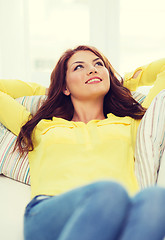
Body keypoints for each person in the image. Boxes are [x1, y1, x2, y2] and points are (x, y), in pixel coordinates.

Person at [0, 45, 165, 240]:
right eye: (79, 67)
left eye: (98, 64)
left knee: (157, 199)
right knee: (109, 192)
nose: (92, 69)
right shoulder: (39, 127)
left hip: (119, 213)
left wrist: (119, 82)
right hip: (51, 212)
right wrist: (51, 90)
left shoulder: (132, 122)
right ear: (65, 86)